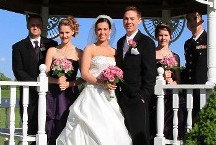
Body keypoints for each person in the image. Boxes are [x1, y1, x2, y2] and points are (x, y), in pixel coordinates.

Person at [56, 15, 132, 145]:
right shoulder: (90, 49)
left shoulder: (115, 52)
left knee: (112, 129)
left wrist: (113, 82)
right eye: (99, 29)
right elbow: (85, 73)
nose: (102, 32)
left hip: (109, 96)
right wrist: (103, 83)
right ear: (95, 31)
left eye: (105, 29)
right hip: (92, 94)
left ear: (110, 31)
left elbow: (119, 72)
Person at [115, 6, 157, 145]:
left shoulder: (147, 42)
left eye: (132, 18)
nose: (129, 22)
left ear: (139, 20)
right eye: (126, 19)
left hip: (138, 98)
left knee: (140, 138)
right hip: (122, 97)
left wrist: (144, 96)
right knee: (124, 136)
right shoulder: (120, 42)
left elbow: (150, 72)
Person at [12, 14, 58, 137]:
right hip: (29, 94)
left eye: (38, 25)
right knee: (30, 128)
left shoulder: (52, 44)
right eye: (33, 25)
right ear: (28, 26)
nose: (35, 27)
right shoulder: (18, 47)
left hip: (50, 93)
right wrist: (36, 84)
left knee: (49, 126)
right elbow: (18, 71)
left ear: (42, 26)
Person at [45, 16, 84, 145]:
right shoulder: (52, 50)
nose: (64, 35)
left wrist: (69, 84)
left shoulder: (79, 53)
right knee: (51, 121)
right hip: (53, 94)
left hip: (70, 94)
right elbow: (44, 75)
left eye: (67, 32)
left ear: (73, 32)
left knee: (68, 122)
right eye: (61, 32)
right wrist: (57, 81)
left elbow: (83, 77)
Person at [151, 22, 186, 140]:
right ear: (156, 36)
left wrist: (171, 80)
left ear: (170, 36)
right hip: (155, 94)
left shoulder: (175, 56)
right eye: (160, 35)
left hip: (170, 96)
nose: (163, 38)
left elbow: (178, 80)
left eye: (166, 35)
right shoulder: (151, 54)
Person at [181, 11, 207, 121]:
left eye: (194, 18)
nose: (192, 22)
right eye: (189, 20)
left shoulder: (209, 39)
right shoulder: (187, 43)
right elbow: (189, 66)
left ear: (201, 20)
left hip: (204, 87)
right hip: (190, 88)